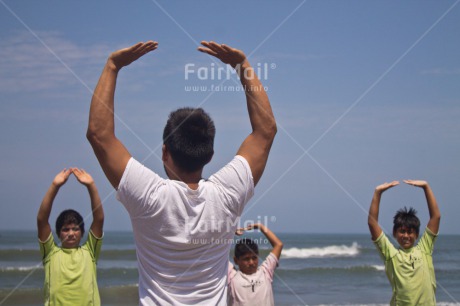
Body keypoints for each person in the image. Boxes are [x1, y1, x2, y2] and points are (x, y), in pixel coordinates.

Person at [87, 40, 276, 305]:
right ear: (210, 155)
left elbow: (99, 135)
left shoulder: (148, 196)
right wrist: (241, 65)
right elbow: (265, 132)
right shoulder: (227, 194)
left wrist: (112, 66)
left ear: (165, 153)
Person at [37, 168, 104, 306]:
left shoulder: (90, 251)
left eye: (75, 229)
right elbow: (41, 220)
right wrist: (55, 186)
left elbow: (99, 219)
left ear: (82, 232)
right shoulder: (50, 252)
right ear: (58, 233)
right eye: (65, 229)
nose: (71, 233)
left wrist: (91, 186)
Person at [368, 180, 441, 305]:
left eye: (410, 232)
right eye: (402, 231)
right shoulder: (391, 255)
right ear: (395, 233)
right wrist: (377, 192)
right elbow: (372, 223)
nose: (406, 236)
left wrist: (426, 187)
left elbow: (436, 217)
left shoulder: (424, 248)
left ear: (417, 234)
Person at [228, 223, 283, 306]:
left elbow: (278, 245)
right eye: (246, 259)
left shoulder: (265, 272)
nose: (251, 262)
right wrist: (229, 232)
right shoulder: (231, 276)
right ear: (236, 260)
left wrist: (260, 226)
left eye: (254, 258)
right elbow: (213, 249)